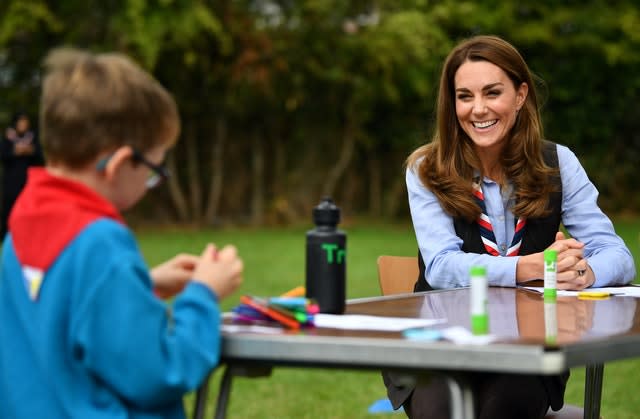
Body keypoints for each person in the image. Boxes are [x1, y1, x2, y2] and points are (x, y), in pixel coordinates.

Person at [388, 35, 636, 418]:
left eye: (492, 93)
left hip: (530, 345)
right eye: (465, 96)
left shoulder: (558, 163)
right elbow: (440, 267)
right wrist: (531, 267)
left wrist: (581, 273)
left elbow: (618, 255)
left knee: (507, 402)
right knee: (446, 410)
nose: (478, 108)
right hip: (441, 345)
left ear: (520, 96)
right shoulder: (426, 169)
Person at [0, 48, 244, 419]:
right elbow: (159, 372)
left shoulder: (20, 228)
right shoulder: (102, 245)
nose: (151, 184)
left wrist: (142, 285)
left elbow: (57, 313)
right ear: (117, 164)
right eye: (154, 171)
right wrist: (202, 296)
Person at [0, 111, 44, 239]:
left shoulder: (33, 137)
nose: (24, 124)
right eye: (21, 121)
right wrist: (15, 152)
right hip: (11, 181)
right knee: (10, 207)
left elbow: (41, 158)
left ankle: (29, 233)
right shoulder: (8, 138)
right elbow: (3, 156)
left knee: (29, 207)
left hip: (28, 180)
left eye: (26, 122)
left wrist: (31, 151)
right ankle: (7, 235)